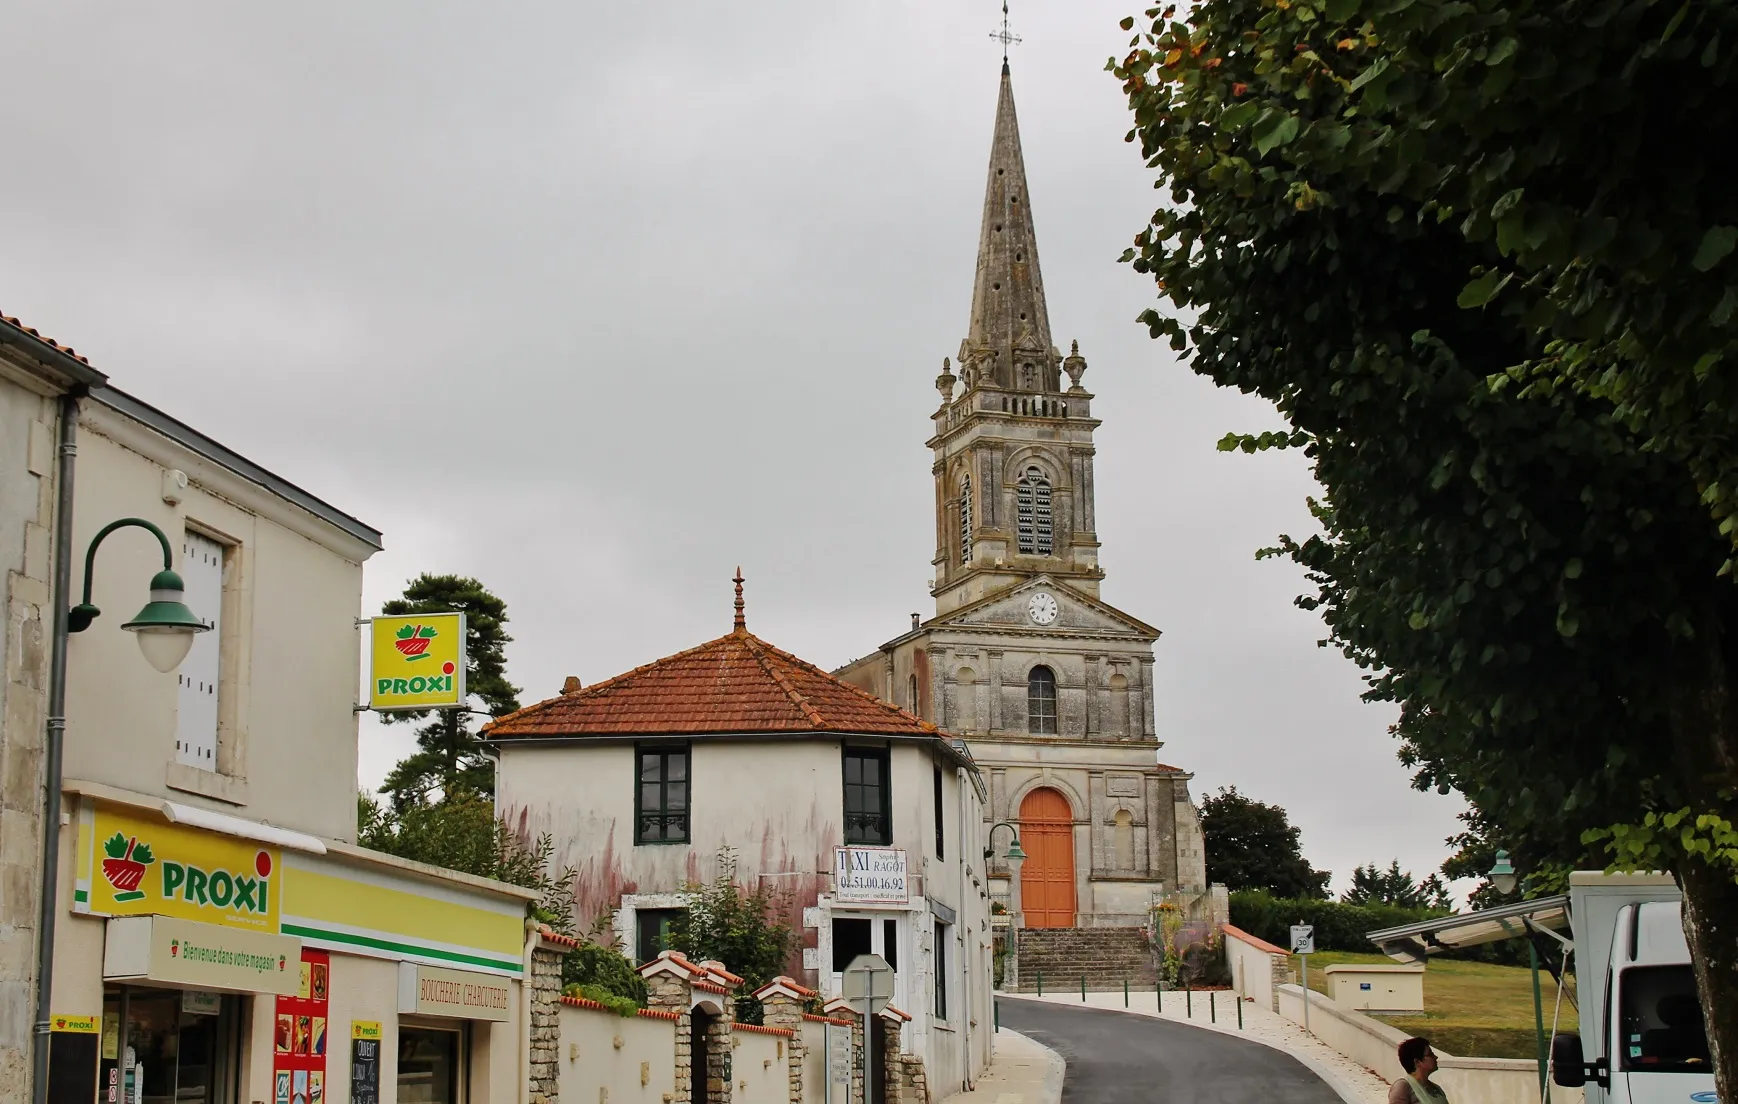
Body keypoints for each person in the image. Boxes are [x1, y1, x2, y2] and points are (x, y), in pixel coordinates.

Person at [1389, 1037, 1448, 1103]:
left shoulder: (1436, 1089)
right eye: (1430, 1054)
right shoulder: (1403, 1087)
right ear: (1417, 1062)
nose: (1435, 1057)